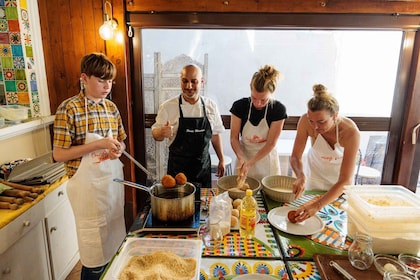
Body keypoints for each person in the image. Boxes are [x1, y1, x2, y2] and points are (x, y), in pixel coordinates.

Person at [52, 52, 127, 280]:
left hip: (111, 187)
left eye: (110, 81)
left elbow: (121, 141)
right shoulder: (69, 109)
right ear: (84, 78)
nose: (107, 86)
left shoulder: (111, 108)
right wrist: (99, 145)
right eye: (101, 80)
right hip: (87, 190)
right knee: (94, 254)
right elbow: (58, 154)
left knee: (115, 248)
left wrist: (118, 149)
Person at [290, 84, 360, 222]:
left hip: (338, 188)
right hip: (313, 181)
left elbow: (345, 179)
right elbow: (295, 157)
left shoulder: (350, 133)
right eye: (311, 121)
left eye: (321, 122)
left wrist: (318, 205)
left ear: (335, 116)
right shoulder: (305, 121)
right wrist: (300, 175)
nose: (315, 127)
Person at [151, 64, 225, 188]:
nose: (188, 86)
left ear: (202, 81)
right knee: (177, 206)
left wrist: (221, 159)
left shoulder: (210, 106)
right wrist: (161, 132)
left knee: (203, 205)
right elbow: (155, 135)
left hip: (202, 169)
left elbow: (215, 135)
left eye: (194, 82)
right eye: (185, 81)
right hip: (177, 171)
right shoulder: (168, 106)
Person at [230, 65, 287, 182]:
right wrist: (241, 157)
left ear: (271, 93)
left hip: (267, 161)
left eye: (263, 100)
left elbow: (271, 143)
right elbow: (233, 138)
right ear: (250, 88)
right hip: (244, 156)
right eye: (254, 98)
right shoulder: (239, 106)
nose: (258, 103)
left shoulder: (278, 109)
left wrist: (251, 163)